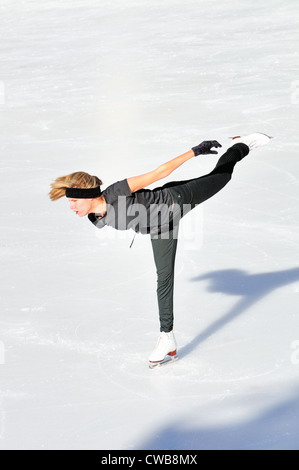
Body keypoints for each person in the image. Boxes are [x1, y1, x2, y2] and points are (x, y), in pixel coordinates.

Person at [49, 133, 271, 368]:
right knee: (164, 278)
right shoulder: (94, 217)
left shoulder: (115, 192)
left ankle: (242, 145)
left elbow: (159, 173)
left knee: (222, 176)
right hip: (162, 227)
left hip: (177, 198)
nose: (71, 207)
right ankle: (167, 337)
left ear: (87, 195)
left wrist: (195, 151)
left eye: (73, 201)